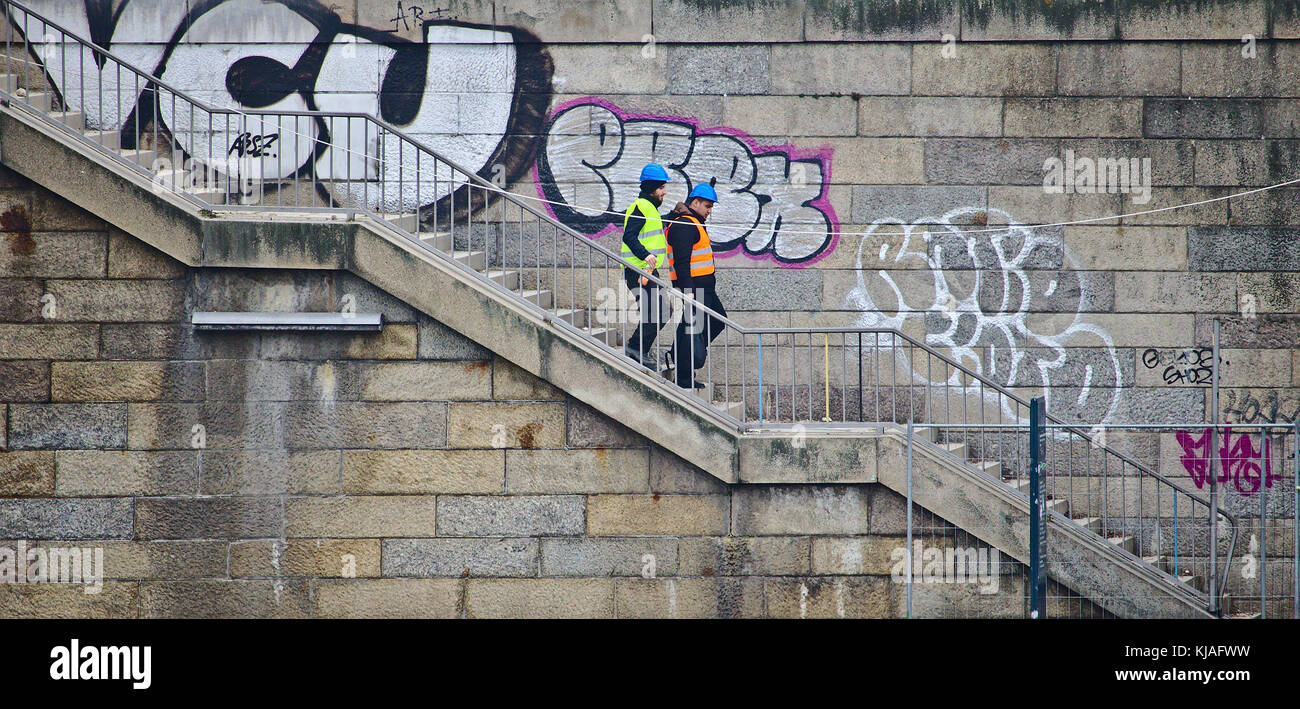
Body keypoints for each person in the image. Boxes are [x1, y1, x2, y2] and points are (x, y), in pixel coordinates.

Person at [665, 182, 726, 390]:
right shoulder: (685, 225)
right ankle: (684, 375)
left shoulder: (694, 222)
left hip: (705, 288)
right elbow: (682, 263)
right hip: (695, 289)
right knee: (693, 329)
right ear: (696, 202)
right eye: (708, 206)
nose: (710, 211)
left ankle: (680, 353)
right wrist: (688, 291)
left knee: (712, 323)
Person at [619, 164, 677, 371]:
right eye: (661, 187)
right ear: (652, 187)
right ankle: (635, 349)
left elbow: (653, 227)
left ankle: (638, 348)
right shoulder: (640, 207)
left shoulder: (649, 208)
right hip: (638, 270)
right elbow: (629, 236)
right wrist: (646, 255)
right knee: (659, 310)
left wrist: (672, 215)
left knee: (661, 310)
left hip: (648, 270)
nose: (665, 191)